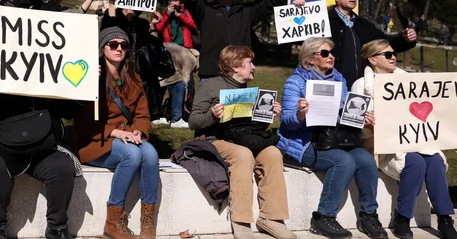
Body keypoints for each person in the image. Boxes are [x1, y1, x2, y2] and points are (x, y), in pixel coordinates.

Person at [278, 37, 386, 239]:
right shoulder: (295, 82)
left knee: (365, 159)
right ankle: (324, 217)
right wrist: (301, 114)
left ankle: (368, 214)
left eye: (332, 53)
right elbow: (286, 121)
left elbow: (344, 113)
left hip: (335, 138)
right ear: (310, 59)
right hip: (303, 143)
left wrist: (360, 117)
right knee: (343, 161)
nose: (331, 57)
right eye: (325, 53)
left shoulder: (338, 79)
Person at [0, 44, 80, 239]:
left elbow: (68, 111)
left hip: (42, 142)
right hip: (5, 141)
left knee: (62, 166)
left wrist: (85, 85)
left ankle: (57, 227)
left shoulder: (49, 71)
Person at [351, 39, 457, 239]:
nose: (394, 58)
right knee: (415, 162)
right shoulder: (361, 86)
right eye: (388, 55)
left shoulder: (409, 82)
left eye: (394, 54)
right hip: (382, 145)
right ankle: (403, 217)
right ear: (372, 59)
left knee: (434, 160)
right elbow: (354, 123)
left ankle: (445, 218)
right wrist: (366, 122)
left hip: (415, 140)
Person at [189, 45, 294, 239]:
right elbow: (193, 121)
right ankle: (241, 220)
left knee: (272, 153)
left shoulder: (249, 90)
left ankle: (271, 218)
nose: (253, 66)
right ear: (235, 65)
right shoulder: (210, 86)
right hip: (215, 139)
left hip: (240, 139)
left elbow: (249, 129)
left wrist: (267, 115)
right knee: (243, 155)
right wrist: (213, 115)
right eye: (249, 62)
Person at [75, 27, 158, 239]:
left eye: (123, 45)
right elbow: (83, 122)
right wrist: (116, 133)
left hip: (127, 137)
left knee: (150, 154)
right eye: (113, 44)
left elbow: (142, 114)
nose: (119, 48)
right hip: (96, 142)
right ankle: (113, 221)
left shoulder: (133, 77)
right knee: (132, 155)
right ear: (103, 49)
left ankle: (147, 222)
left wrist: (138, 130)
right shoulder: (91, 75)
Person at [184, 0, 286, 79]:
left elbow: (270, 2)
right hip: (212, 74)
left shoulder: (245, 11)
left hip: (238, 75)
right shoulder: (206, 10)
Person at [327, 0, 416, 88]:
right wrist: (300, 10)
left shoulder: (363, 24)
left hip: (360, 88)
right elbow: (305, 44)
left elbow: (386, 44)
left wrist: (404, 39)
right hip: (331, 86)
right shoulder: (324, 21)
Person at [103, 0, 166, 122]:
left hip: (140, 70)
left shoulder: (141, 23)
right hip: (119, 66)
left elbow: (153, 44)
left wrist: (153, 26)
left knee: (139, 103)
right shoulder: (115, 17)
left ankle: (139, 126)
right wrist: (111, 3)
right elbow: (108, 29)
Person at [159, 42, 198, 128]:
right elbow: (185, 79)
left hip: (160, 59)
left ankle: (158, 115)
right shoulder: (192, 59)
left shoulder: (185, 52)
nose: (196, 71)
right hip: (160, 61)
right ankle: (176, 119)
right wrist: (184, 100)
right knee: (179, 85)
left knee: (163, 86)